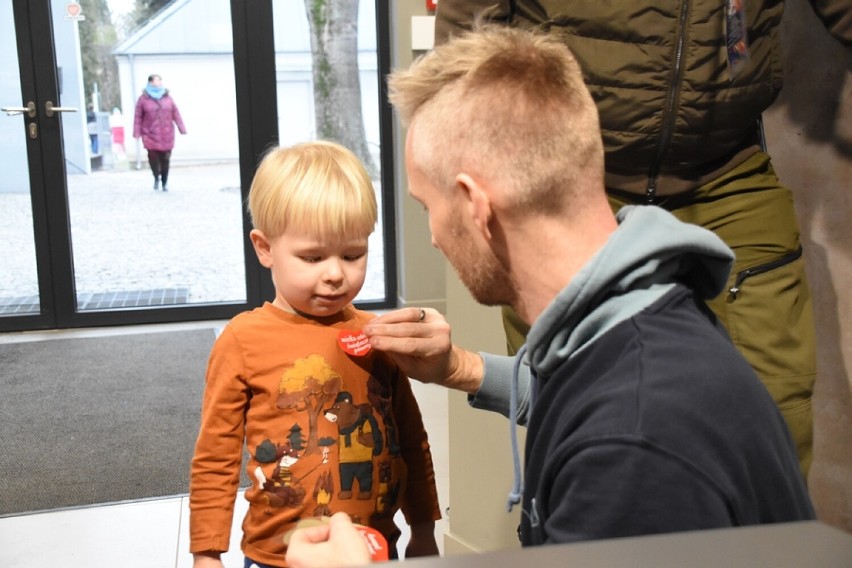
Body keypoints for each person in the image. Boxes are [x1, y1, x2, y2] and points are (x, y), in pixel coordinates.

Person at [286, 25, 815, 562]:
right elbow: (583, 393)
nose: (433, 236)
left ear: (475, 206)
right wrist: (459, 368)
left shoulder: (633, 448)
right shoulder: (644, 314)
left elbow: (611, 427)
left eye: (429, 208)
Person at [432, 0, 852, 480]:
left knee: (774, 415)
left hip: (725, 169)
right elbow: (465, 36)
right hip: (565, 174)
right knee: (585, 420)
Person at [189, 140, 441, 568]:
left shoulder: (376, 336)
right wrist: (207, 552)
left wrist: (423, 528)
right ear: (265, 248)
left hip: (375, 551)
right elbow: (217, 455)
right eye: (312, 257)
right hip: (277, 556)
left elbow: (411, 441)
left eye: (352, 254)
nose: (335, 274)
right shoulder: (242, 340)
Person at [133, 74, 187, 192]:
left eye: (160, 81)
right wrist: (137, 132)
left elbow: (175, 112)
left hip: (166, 133)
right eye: (157, 81)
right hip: (150, 133)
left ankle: (164, 181)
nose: (159, 83)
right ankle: (156, 176)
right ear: (151, 82)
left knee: (166, 159)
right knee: (153, 158)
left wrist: (181, 127)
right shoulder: (143, 99)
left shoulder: (167, 97)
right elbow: (138, 116)